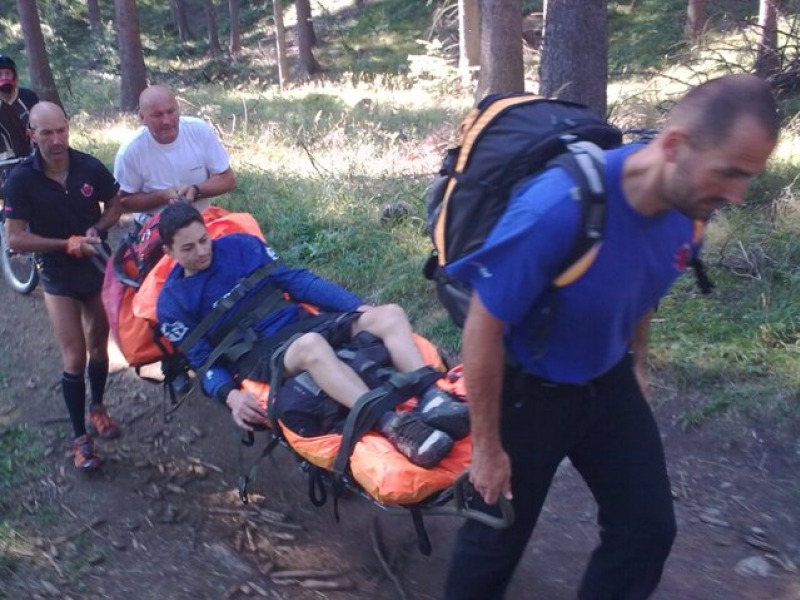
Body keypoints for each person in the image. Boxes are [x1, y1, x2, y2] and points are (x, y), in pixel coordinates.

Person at [443, 74, 780, 599]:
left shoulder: (689, 211)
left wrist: (637, 361)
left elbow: (642, 281)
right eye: (730, 173)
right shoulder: (558, 208)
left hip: (607, 379)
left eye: (748, 178)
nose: (737, 195)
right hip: (528, 391)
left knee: (646, 530)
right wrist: (486, 447)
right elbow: (483, 328)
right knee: (496, 537)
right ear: (675, 146)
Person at [156, 203, 469, 469]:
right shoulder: (172, 303)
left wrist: (357, 308)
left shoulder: (242, 247)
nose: (202, 251)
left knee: (390, 314)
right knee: (311, 346)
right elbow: (202, 361)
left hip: (301, 324)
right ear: (168, 252)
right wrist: (230, 395)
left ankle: (432, 396)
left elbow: (296, 281)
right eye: (188, 248)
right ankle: (394, 424)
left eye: (204, 240)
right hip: (257, 354)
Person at [4, 102, 123, 471]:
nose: (56, 140)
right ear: (31, 135)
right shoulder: (21, 180)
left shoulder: (89, 166)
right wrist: (64, 244)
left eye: (61, 131)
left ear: (68, 128)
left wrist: (97, 229)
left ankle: (97, 408)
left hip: (95, 265)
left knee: (99, 348)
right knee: (74, 356)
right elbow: (15, 239)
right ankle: (80, 438)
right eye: (46, 133)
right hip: (57, 273)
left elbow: (116, 204)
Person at [114, 85, 236, 225]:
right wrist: (162, 197)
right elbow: (122, 202)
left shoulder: (199, 130)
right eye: (157, 115)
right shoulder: (130, 151)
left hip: (201, 222)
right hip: (154, 226)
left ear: (178, 109)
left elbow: (228, 179)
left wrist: (195, 190)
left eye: (171, 112)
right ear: (142, 117)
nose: (166, 121)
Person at [0, 54, 38, 191]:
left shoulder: (28, 97)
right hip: (5, 165)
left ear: (14, 76)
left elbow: (41, 125)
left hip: (34, 160)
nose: (4, 77)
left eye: (7, 73)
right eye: (0, 74)